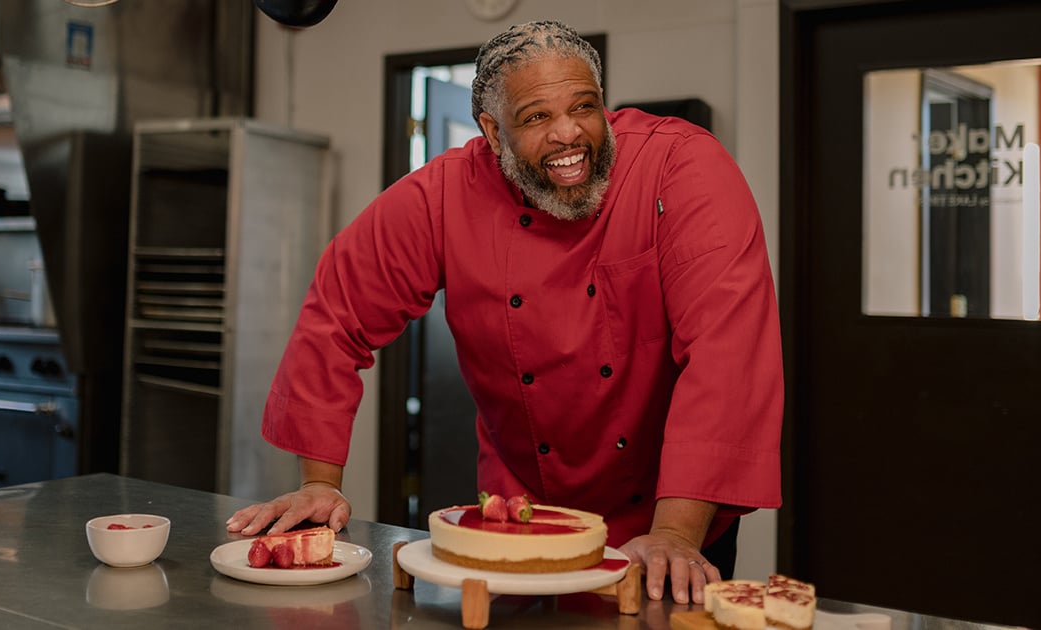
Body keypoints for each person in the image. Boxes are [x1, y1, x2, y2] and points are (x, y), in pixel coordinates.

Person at [226, 20, 783, 606]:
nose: (570, 134)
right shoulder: (444, 196)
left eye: (584, 106)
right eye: (537, 116)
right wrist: (319, 482)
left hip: (670, 516)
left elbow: (728, 352)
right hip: (521, 520)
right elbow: (336, 313)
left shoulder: (681, 166)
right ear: (492, 131)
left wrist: (675, 532)